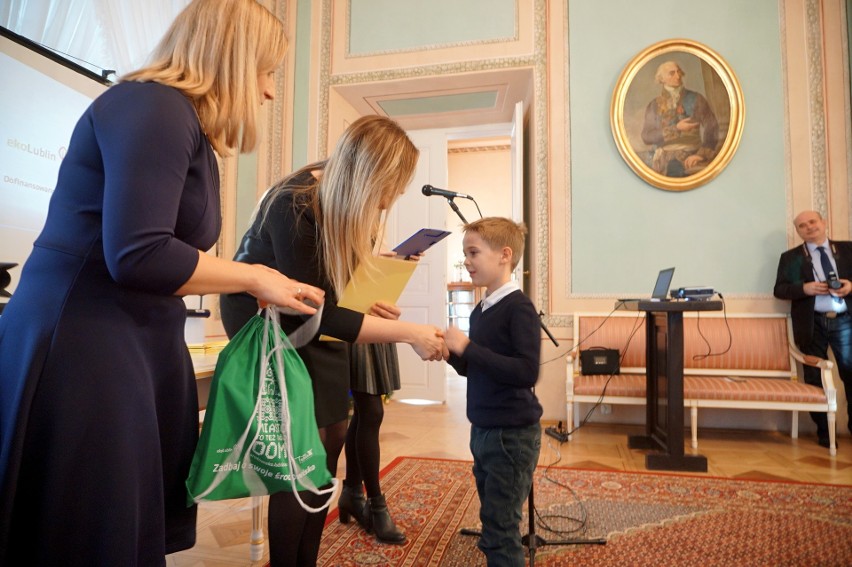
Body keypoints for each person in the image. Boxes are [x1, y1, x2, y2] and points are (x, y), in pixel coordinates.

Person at [0, 1, 327, 565]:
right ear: (231, 58)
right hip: (86, 342)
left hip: (133, 339)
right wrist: (254, 275)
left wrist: (254, 280)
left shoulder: (183, 125)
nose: (270, 92)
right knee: (89, 531)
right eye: (266, 71)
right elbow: (139, 253)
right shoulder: (153, 106)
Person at [219, 115, 445, 567]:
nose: (388, 202)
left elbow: (330, 291)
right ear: (369, 174)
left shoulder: (336, 200)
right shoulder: (294, 203)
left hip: (310, 319)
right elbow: (323, 313)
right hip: (268, 327)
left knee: (331, 445)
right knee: (301, 461)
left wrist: (369, 297)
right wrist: (411, 333)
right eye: (390, 189)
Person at [443, 217, 542, 567]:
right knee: (492, 519)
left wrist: (467, 348)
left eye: (473, 253)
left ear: (504, 255)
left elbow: (526, 371)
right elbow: (478, 368)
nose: (466, 261)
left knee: (501, 531)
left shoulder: (519, 308)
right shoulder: (482, 309)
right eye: (465, 253)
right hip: (483, 430)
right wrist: (453, 356)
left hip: (511, 435)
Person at [774, 210, 852, 449]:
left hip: (844, 319)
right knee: (814, 378)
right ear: (798, 231)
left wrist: (851, 285)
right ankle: (825, 432)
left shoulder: (848, 249)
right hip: (811, 323)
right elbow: (780, 290)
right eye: (802, 225)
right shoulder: (790, 258)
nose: (808, 227)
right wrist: (804, 289)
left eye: (812, 222)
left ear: (823, 223)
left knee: (850, 375)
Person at [339, 319, 407, 544]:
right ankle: (376, 505)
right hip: (355, 320)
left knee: (363, 411)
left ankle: (352, 492)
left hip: (374, 319)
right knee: (371, 412)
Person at [640, 60, 720, 177]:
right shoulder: (654, 105)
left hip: (691, 155)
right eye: (672, 73)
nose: (678, 76)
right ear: (661, 79)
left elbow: (712, 126)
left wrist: (701, 155)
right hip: (662, 158)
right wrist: (676, 128)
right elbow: (646, 137)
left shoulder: (696, 98)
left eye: (679, 72)